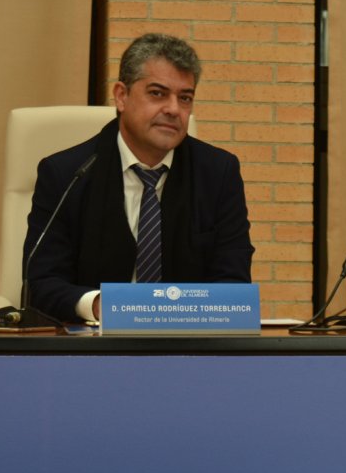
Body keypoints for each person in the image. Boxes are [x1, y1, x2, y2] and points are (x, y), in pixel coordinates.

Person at [23, 33, 254, 322]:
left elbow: (233, 283)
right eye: (157, 93)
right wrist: (100, 306)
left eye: (185, 98)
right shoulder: (67, 174)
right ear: (122, 96)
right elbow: (41, 283)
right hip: (92, 342)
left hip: (187, 341)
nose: (173, 109)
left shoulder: (218, 173)